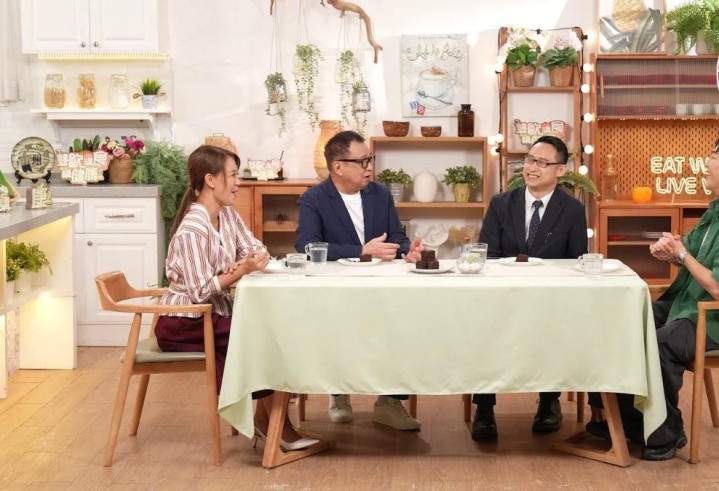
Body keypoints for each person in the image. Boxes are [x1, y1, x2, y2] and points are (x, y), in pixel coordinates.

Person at [155, 145, 317, 451]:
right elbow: (200, 291)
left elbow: (259, 250)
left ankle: (268, 422)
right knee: (264, 338)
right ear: (211, 180)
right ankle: (275, 426)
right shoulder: (192, 229)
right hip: (184, 321)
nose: (238, 182)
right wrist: (240, 269)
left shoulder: (226, 215)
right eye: (232, 175)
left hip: (213, 315)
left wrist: (242, 264)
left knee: (271, 332)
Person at [586, 140, 719, 461]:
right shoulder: (713, 211)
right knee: (617, 321)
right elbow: (690, 256)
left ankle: (666, 432)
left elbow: (716, 286)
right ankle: (624, 419)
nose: (706, 163)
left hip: (710, 317)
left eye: (713, 157)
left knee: (659, 345)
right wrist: (670, 252)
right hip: (685, 304)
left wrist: (682, 255)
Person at [295, 130, 423, 431]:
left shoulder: (379, 194)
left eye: (370, 159)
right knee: (339, 325)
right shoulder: (313, 199)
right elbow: (306, 246)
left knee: (402, 320)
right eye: (363, 161)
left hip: (381, 286)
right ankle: (339, 392)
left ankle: (389, 402)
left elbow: (396, 236)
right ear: (338, 166)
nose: (370, 167)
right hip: (337, 289)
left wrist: (408, 251)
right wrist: (361, 251)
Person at [472, 135, 588, 442]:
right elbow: (488, 256)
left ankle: (549, 403)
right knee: (483, 327)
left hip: (550, 300)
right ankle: (484, 407)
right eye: (529, 160)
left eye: (542, 163)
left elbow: (576, 262)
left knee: (555, 327)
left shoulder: (572, 210)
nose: (532, 168)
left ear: (560, 170)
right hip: (502, 296)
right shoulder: (501, 204)